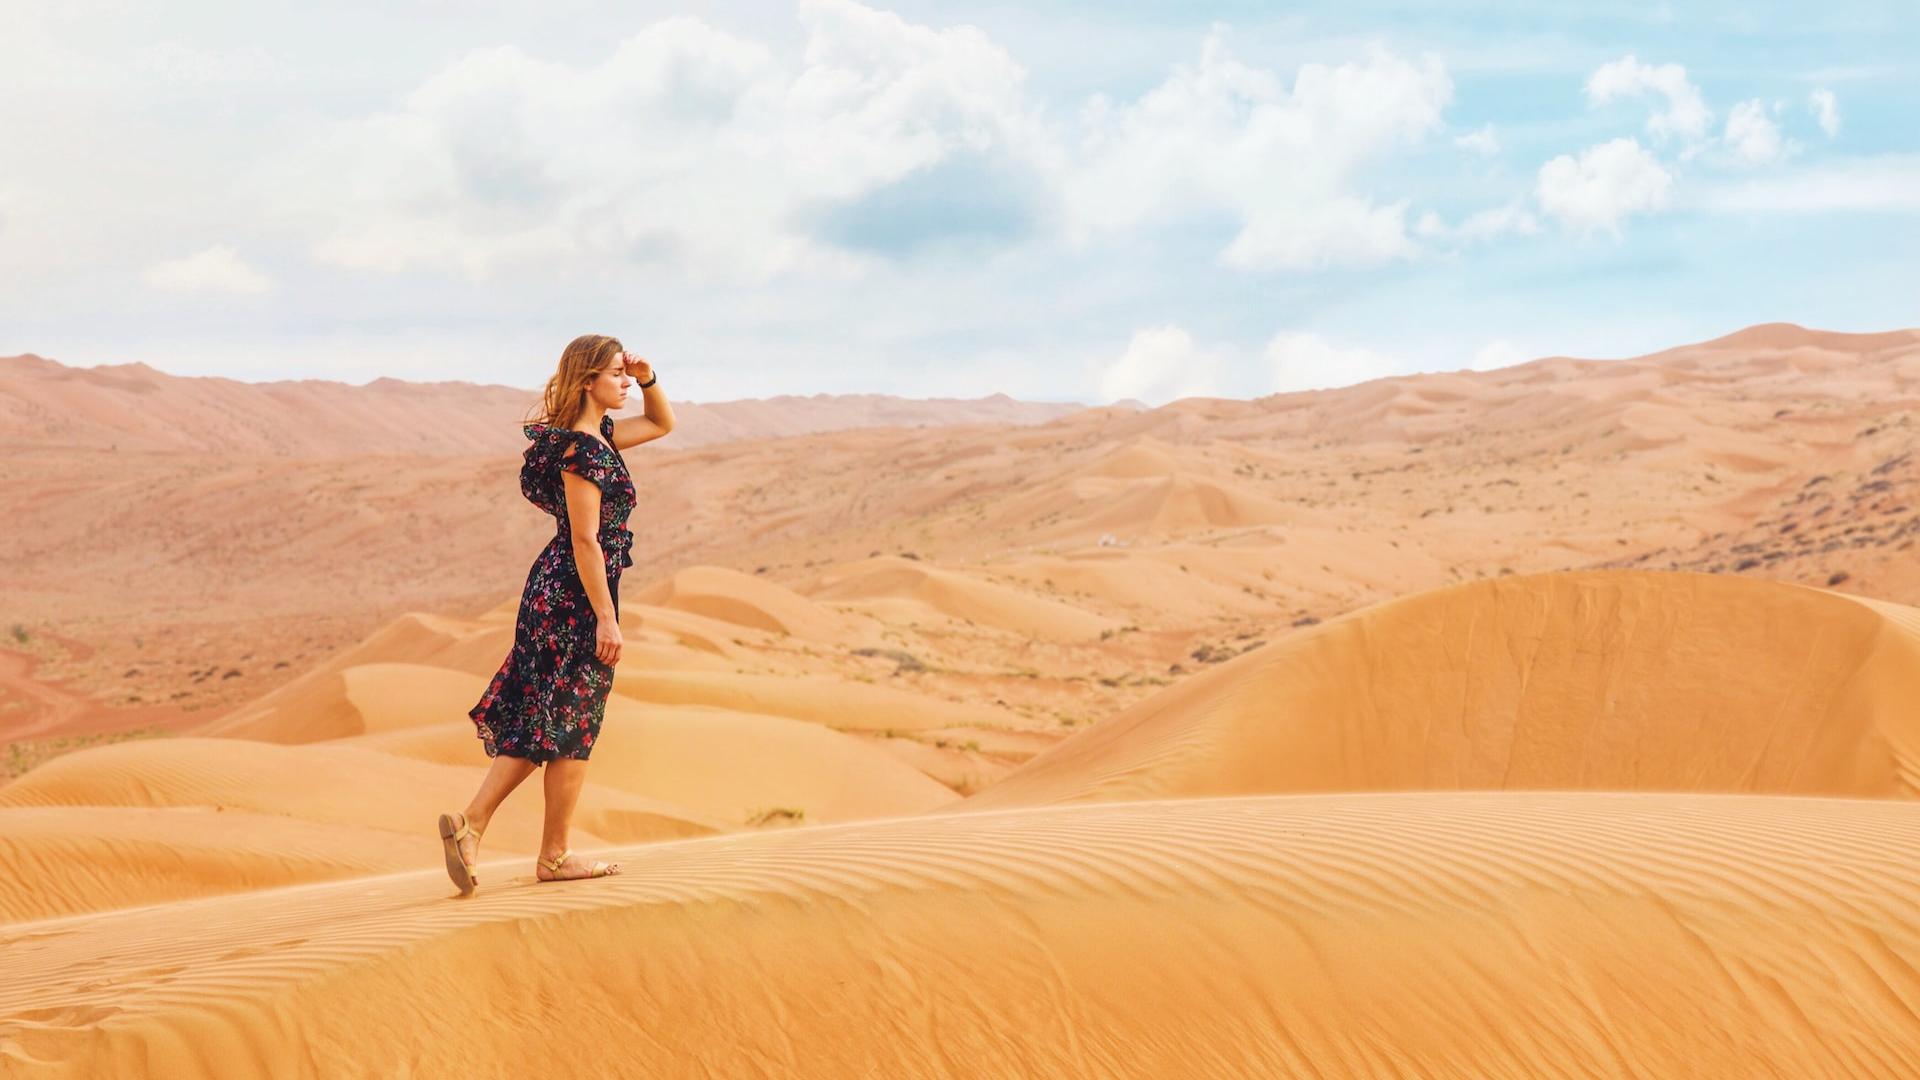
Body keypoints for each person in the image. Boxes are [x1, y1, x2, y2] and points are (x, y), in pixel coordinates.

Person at [437, 334, 676, 895]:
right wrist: (606, 619)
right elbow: (587, 540)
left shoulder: (590, 439)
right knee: (572, 724)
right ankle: (554, 855)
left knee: (544, 718)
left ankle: (473, 826)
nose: (624, 382)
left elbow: (662, 423)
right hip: (575, 596)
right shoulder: (585, 453)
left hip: (559, 591)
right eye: (615, 374)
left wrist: (647, 375)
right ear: (588, 381)